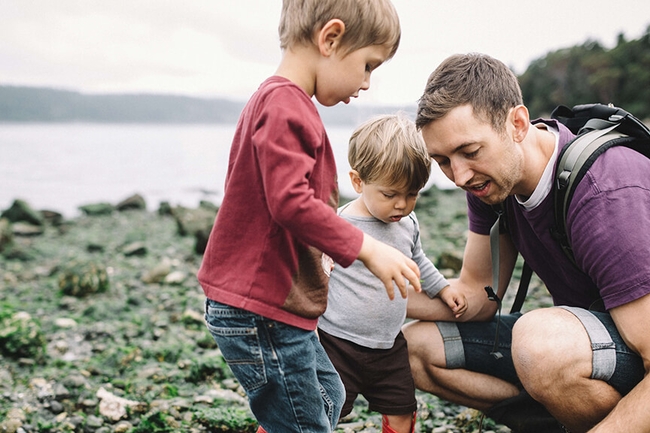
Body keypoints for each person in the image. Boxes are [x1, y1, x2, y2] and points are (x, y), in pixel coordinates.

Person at [198, 2, 423, 433]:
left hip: (273, 309)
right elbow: (289, 201)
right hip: (259, 310)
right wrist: (365, 248)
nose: (366, 83)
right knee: (305, 425)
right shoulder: (287, 106)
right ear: (330, 38)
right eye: (368, 65)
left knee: (330, 395)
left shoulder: (277, 100)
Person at [402, 52, 650, 433]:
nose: (459, 175)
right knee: (415, 347)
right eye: (443, 160)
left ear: (517, 123)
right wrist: (370, 296)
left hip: (638, 349)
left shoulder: (603, 193)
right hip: (594, 348)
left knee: (540, 344)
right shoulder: (488, 183)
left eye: (470, 152)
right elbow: (476, 296)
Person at [317, 113, 468, 433]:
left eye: (412, 194)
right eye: (390, 195)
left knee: (402, 411)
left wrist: (442, 288)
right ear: (358, 182)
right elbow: (317, 277)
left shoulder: (407, 224)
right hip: (337, 345)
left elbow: (418, 260)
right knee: (322, 409)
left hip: (388, 346)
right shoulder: (339, 225)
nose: (402, 205)